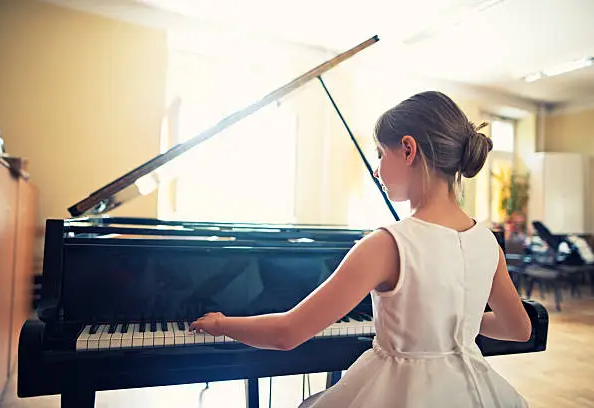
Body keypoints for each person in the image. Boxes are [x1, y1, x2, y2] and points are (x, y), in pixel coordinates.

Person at [190, 91, 532, 408]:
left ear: (409, 150)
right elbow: (519, 329)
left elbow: (288, 334)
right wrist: (458, 322)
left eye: (381, 153)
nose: (377, 167)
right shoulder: (487, 241)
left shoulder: (387, 244)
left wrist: (222, 323)